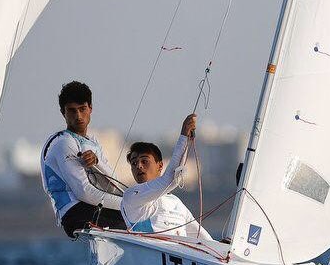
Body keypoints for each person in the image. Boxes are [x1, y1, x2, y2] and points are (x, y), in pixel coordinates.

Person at [40, 81, 127, 238]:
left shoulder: (92, 142)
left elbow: (113, 186)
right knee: (131, 217)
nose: (78, 116)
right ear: (63, 112)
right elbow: (84, 192)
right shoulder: (63, 143)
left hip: (90, 207)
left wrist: (97, 163)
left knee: (135, 215)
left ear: (90, 108)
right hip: (74, 212)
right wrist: (128, 205)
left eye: (82, 109)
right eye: (72, 111)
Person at [120, 113, 213, 241]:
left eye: (144, 161)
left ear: (160, 165)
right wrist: (184, 137)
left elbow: (205, 240)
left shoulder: (176, 203)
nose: (139, 166)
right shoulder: (131, 196)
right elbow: (172, 179)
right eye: (134, 163)